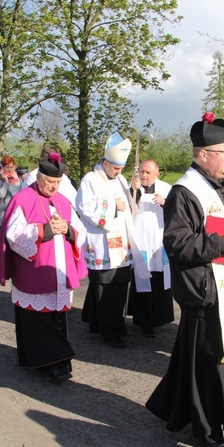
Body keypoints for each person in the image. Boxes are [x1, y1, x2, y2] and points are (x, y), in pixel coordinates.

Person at [146, 113, 224, 447]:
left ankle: (176, 408)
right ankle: (208, 429)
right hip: (207, 294)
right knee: (210, 364)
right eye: (223, 151)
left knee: (199, 361)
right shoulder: (186, 192)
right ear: (203, 154)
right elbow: (176, 244)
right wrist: (220, 245)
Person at [0, 152, 88, 383]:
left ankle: (54, 360)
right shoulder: (24, 199)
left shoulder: (63, 201)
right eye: (50, 182)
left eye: (57, 183)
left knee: (57, 319)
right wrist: (45, 230)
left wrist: (69, 230)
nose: (54, 187)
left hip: (58, 270)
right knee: (37, 319)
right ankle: (52, 363)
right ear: (39, 178)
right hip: (33, 270)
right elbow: (13, 235)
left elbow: (79, 230)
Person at [77, 132, 149, 347]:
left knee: (119, 285)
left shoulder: (120, 179)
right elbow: (84, 207)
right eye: (116, 168)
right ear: (106, 163)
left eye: (121, 169)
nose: (119, 172)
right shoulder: (90, 179)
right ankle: (108, 331)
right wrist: (112, 207)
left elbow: (130, 206)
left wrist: (133, 192)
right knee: (105, 287)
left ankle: (114, 324)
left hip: (121, 240)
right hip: (102, 242)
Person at [127, 159, 174, 338]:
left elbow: (177, 211)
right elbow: (127, 209)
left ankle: (159, 319)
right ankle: (144, 322)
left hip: (158, 242)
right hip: (140, 242)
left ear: (157, 174)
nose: (144, 176)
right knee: (142, 281)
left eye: (148, 172)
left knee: (159, 281)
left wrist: (166, 202)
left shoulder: (167, 189)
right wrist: (133, 191)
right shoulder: (132, 187)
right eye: (142, 172)